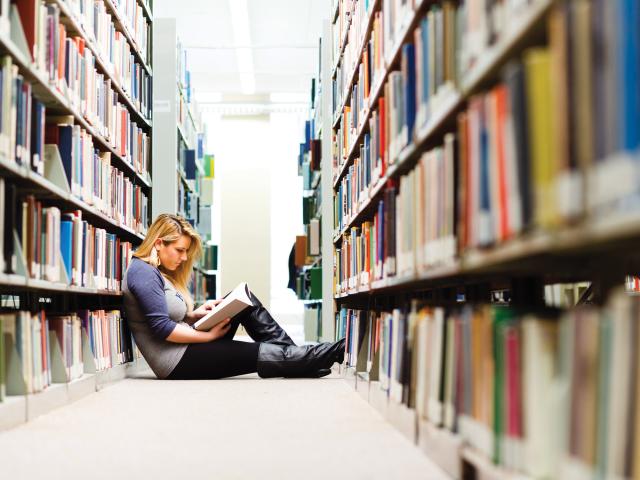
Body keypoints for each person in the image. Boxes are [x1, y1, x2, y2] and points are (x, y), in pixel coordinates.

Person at [122, 213, 345, 380]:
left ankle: (295, 359)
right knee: (258, 353)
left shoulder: (156, 272)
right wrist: (208, 338)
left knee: (243, 299)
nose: (183, 257)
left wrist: (194, 315)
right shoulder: (142, 272)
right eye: (179, 250)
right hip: (177, 361)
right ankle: (334, 350)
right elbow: (162, 327)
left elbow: (168, 315)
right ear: (159, 243)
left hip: (188, 345)